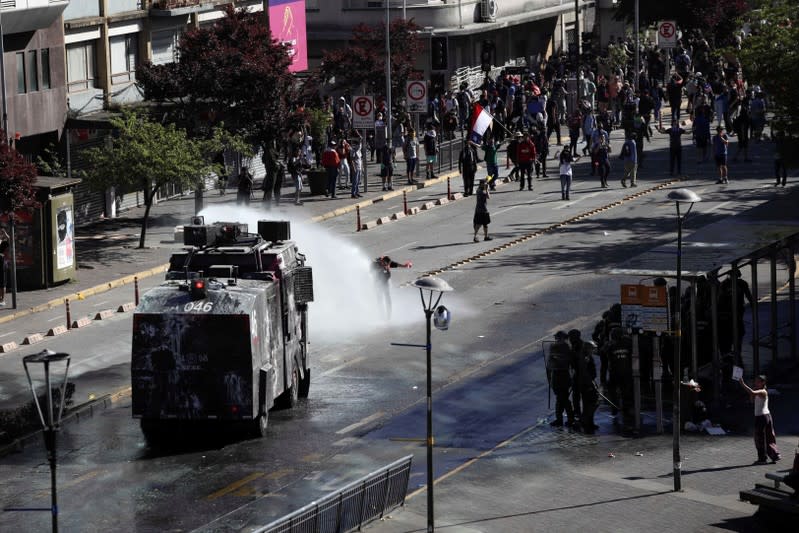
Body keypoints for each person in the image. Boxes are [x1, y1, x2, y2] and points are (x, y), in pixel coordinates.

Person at [739, 375, 781, 465]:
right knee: (769, 437)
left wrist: (743, 384)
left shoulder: (763, 391)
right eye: (755, 381)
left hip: (762, 417)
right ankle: (774, 455)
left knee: (760, 439)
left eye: (758, 381)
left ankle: (762, 459)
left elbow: (753, 393)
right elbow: (752, 400)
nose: (756, 383)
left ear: (763, 383)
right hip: (765, 416)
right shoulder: (759, 392)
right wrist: (752, 393)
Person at [371, 255, 412, 319]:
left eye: (387, 264)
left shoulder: (387, 263)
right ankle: (381, 315)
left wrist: (405, 266)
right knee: (380, 299)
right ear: (382, 261)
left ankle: (389, 315)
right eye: (385, 264)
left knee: (388, 298)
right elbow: (371, 271)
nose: (386, 266)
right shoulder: (375, 264)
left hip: (385, 283)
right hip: (378, 284)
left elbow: (396, 264)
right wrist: (380, 269)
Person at [548, 331, 575, 427]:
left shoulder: (558, 347)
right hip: (560, 376)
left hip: (561, 376)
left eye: (559, 338)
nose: (557, 340)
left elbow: (550, 364)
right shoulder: (566, 347)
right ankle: (565, 419)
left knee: (562, 399)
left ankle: (566, 419)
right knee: (561, 399)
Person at [0, 228, 9, 306]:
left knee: (2, 283)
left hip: (2, 264)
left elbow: (10, 239)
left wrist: (5, 233)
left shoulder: (3, 243)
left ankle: (2, 300)